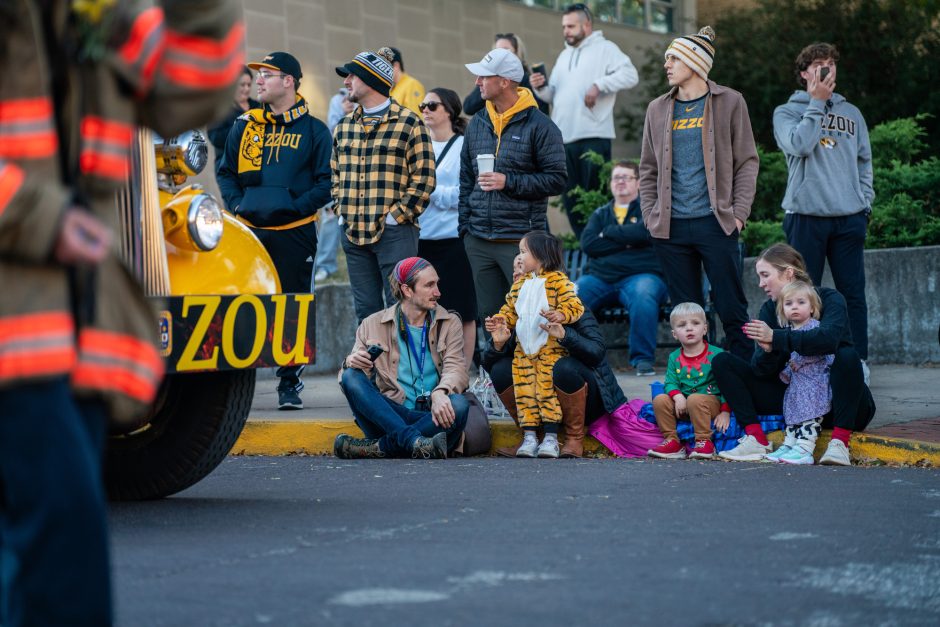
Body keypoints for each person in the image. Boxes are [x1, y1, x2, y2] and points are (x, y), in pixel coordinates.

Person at [0, 2, 243, 624]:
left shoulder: (88, 13)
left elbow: (192, 90)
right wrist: (39, 218)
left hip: (65, 341)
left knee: (63, 565)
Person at [217, 51, 332, 410]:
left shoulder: (315, 130)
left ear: (289, 81)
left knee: (292, 307)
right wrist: (237, 205)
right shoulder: (245, 125)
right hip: (250, 231)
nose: (259, 81)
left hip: (295, 232)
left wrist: (293, 208)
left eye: (268, 74)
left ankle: (288, 385)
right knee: (245, 307)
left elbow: (326, 182)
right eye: (259, 74)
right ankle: (236, 388)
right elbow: (226, 173)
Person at [639, 26, 758, 361]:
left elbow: (747, 161)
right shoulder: (657, 109)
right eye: (668, 58)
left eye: (674, 57)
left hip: (715, 222)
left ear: (695, 62)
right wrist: (651, 216)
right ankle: (696, 386)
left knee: (731, 307)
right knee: (685, 315)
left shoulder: (729, 102)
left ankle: (744, 380)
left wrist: (738, 214)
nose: (668, 64)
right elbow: (647, 169)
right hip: (670, 227)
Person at [713, 244, 876, 465]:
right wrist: (769, 350)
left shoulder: (829, 298)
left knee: (847, 355)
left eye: (765, 275)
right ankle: (756, 438)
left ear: (788, 273)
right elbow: (761, 371)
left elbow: (827, 340)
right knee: (723, 361)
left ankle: (839, 443)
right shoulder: (770, 309)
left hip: (843, 405)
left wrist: (777, 338)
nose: (761, 284)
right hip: (797, 402)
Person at [773, 42, 874, 384]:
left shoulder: (852, 113)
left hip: (849, 215)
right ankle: (804, 362)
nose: (827, 69)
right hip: (806, 215)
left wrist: (866, 203)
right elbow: (799, 144)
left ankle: (857, 361)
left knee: (852, 294)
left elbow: (864, 162)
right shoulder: (786, 112)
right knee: (802, 293)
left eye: (831, 63)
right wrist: (816, 103)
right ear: (804, 73)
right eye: (819, 65)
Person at [460, 47, 567, 324]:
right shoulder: (477, 124)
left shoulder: (541, 126)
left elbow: (557, 179)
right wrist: (466, 229)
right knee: (491, 318)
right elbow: (466, 179)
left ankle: (533, 369)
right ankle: (494, 370)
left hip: (522, 242)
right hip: (479, 238)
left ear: (505, 81)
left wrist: (509, 181)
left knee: (530, 316)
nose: (477, 82)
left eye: (484, 77)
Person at [482, 255, 627, 459]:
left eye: (521, 267)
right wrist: (498, 344)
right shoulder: (515, 313)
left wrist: (566, 336)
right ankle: (531, 436)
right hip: (534, 397)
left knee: (564, 367)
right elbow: (488, 365)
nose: (515, 273)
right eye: (514, 268)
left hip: (587, 398)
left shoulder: (571, 306)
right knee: (501, 369)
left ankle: (573, 438)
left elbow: (596, 353)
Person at [333, 47, 436, 322]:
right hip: (354, 233)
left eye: (351, 76)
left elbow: (424, 178)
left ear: (371, 79)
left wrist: (396, 217)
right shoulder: (343, 127)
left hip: (395, 234)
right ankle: (373, 366)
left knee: (404, 309)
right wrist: (342, 212)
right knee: (366, 314)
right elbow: (335, 174)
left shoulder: (409, 123)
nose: (345, 82)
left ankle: (405, 366)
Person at [334, 258, 469, 459]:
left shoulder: (450, 322)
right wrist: (351, 362)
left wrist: (441, 392)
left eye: (437, 284)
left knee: (458, 404)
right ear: (407, 290)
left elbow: (456, 368)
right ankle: (414, 441)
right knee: (350, 376)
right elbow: (354, 385)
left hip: (432, 415)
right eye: (429, 285)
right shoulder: (372, 323)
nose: (438, 292)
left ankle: (378, 447)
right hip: (389, 414)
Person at [530, 3, 638, 238]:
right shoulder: (564, 55)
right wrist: (541, 88)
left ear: (586, 25)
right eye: (564, 27)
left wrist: (600, 85)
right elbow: (552, 96)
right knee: (572, 202)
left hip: (594, 136)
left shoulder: (606, 48)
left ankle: (604, 246)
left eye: (571, 26)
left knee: (595, 201)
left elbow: (631, 75)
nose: (566, 31)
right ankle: (587, 247)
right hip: (564, 140)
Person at [485, 231, 584, 458]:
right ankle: (529, 436)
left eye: (523, 252)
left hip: (549, 351)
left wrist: (561, 314)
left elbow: (575, 306)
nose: (519, 257)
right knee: (525, 392)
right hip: (523, 352)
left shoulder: (559, 282)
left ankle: (550, 437)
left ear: (541, 255)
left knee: (546, 392)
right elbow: (510, 310)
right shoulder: (520, 285)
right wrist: (500, 321)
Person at [577, 160, 668, 376]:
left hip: (641, 276)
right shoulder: (600, 213)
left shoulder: (649, 210)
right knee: (573, 297)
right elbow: (588, 244)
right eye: (616, 177)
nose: (620, 181)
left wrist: (608, 233)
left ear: (638, 183)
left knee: (644, 295)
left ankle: (642, 360)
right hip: (600, 278)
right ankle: (580, 357)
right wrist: (629, 241)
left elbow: (646, 234)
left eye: (626, 177)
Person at [417, 88, 477, 365]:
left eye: (432, 105)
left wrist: (431, 193)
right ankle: (432, 369)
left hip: (453, 238)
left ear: (450, 111)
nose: (425, 110)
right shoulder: (418, 145)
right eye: (423, 106)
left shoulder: (464, 145)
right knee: (424, 310)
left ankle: (461, 371)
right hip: (421, 238)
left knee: (462, 309)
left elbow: (468, 192)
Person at [647, 302, 730, 460]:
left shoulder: (717, 354)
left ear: (705, 329)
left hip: (710, 404)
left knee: (695, 399)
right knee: (660, 400)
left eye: (695, 323)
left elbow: (728, 385)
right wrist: (678, 397)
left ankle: (704, 441)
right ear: (674, 334)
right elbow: (670, 382)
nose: (689, 328)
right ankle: (672, 441)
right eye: (682, 325)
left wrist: (725, 411)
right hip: (683, 406)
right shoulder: (674, 357)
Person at [766, 281, 834, 465]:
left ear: (812, 308)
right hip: (798, 384)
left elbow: (823, 353)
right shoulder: (789, 332)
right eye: (789, 304)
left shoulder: (814, 328)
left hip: (813, 381)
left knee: (809, 416)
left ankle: (805, 449)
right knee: (795, 415)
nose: (794, 307)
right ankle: (790, 445)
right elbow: (792, 358)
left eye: (801, 302)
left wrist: (799, 361)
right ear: (783, 310)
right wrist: (788, 370)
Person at [315, 86, 356, 284]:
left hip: (366, 170)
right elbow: (334, 135)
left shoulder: (372, 101)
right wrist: (345, 113)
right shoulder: (337, 100)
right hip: (340, 167)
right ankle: (325, 265)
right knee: (331, 214)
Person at [463, 33, 549, 116]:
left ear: (517, 52)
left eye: (505, 50)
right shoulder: (489, 79)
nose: (500, 54)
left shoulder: (530, 81)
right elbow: (468, 107)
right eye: (497, 50)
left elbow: (541, 116)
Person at [208, 66, 258, 174]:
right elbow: (215, 138)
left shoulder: (257, 106)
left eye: (249, 85)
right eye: (242, 85)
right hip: (228, 168)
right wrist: (242, 127)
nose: (247, 89)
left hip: (253, 167)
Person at [388, 47, 426, 115]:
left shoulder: (412, 84)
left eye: (384, 67)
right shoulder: (393, 89)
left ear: (396, 65)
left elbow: (416, 117)